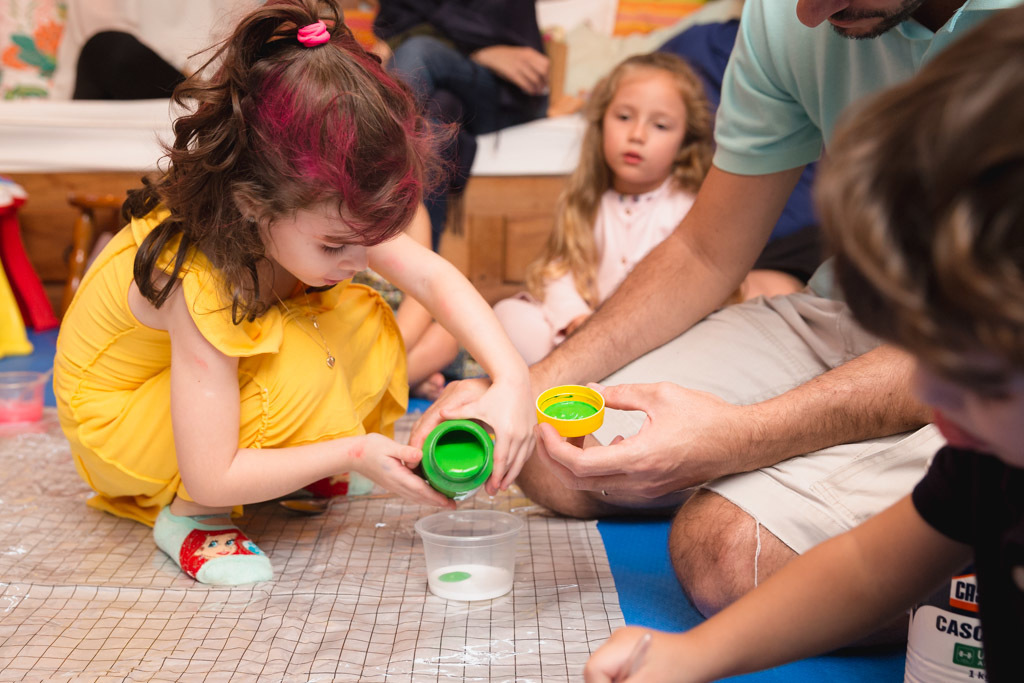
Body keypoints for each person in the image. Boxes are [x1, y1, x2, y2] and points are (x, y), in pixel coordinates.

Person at [416, 0, 1020, 622]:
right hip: (848, 315)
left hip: (988, 348)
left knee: (732, 554)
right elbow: (707, 249)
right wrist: (529, 384)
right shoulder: (791, 15)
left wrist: (743, 437)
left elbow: (990, 342)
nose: (807, 17)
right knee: (553, 449)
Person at [585, 8, 1024, 679]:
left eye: (960, 352)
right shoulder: (985, 460)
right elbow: (867, 567)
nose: (925, 387)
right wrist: (695, 653)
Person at [53, 0, 534, 587]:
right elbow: (210, 472)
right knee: (303, 364)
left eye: (371, 242)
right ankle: (190, 522)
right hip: (120, 424)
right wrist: (352, 451)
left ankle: (296, 468)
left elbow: (433, 278)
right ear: (254, 203)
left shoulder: (320, 209)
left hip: (186, 391)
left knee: (362, 320)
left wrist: (513, 379)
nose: (360, 262)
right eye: (336, 248)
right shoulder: (197, 274)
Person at [492, 53, 719, 365]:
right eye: (624, 117)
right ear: (601, 123)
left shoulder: (688, 209)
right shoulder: (586, 201)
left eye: (661, 125)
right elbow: (559, 275)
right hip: (583, 338)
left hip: (656, 346)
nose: (637, 135)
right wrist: (576, 319)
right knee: (510, 315)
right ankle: (566, 388)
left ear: (685, 142)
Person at [372, 0, 550, 249]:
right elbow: (393, 29)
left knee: (418, 50)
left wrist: (482, 51)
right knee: (436, 119)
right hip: (440, 87)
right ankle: (418, 272)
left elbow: (513, 39)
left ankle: (369, 184)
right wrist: (478, 51)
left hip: (506, 93)